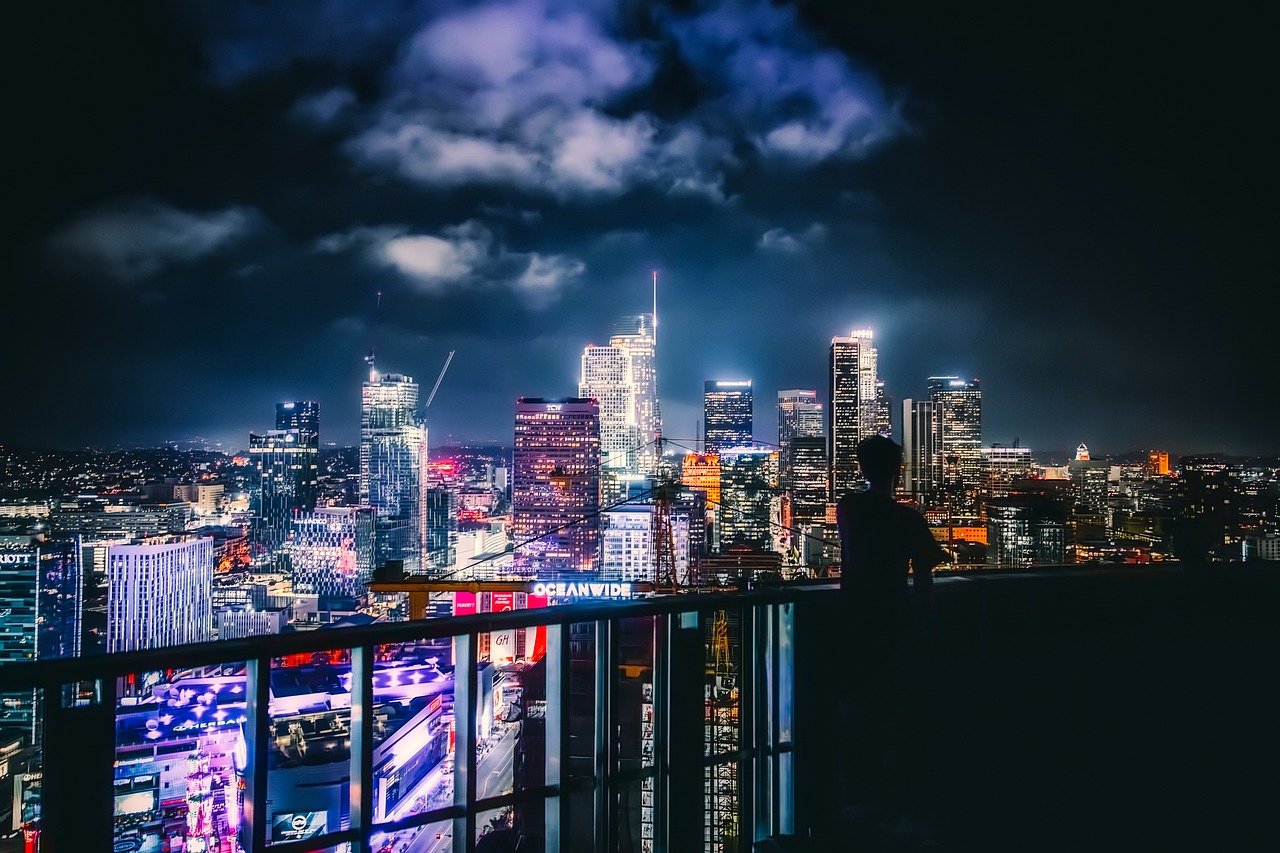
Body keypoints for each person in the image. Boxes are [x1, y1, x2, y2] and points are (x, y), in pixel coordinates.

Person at [835, 435, 949, 839]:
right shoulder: (908, 520)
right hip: (895, 629)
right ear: (898, 470)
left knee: (854, 720)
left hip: (852, 629)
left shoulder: (847, 510)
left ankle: (855, 807)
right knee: (895, 723)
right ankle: (892, 811)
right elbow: (924, 583)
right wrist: (928, 634)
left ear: (862, 468)